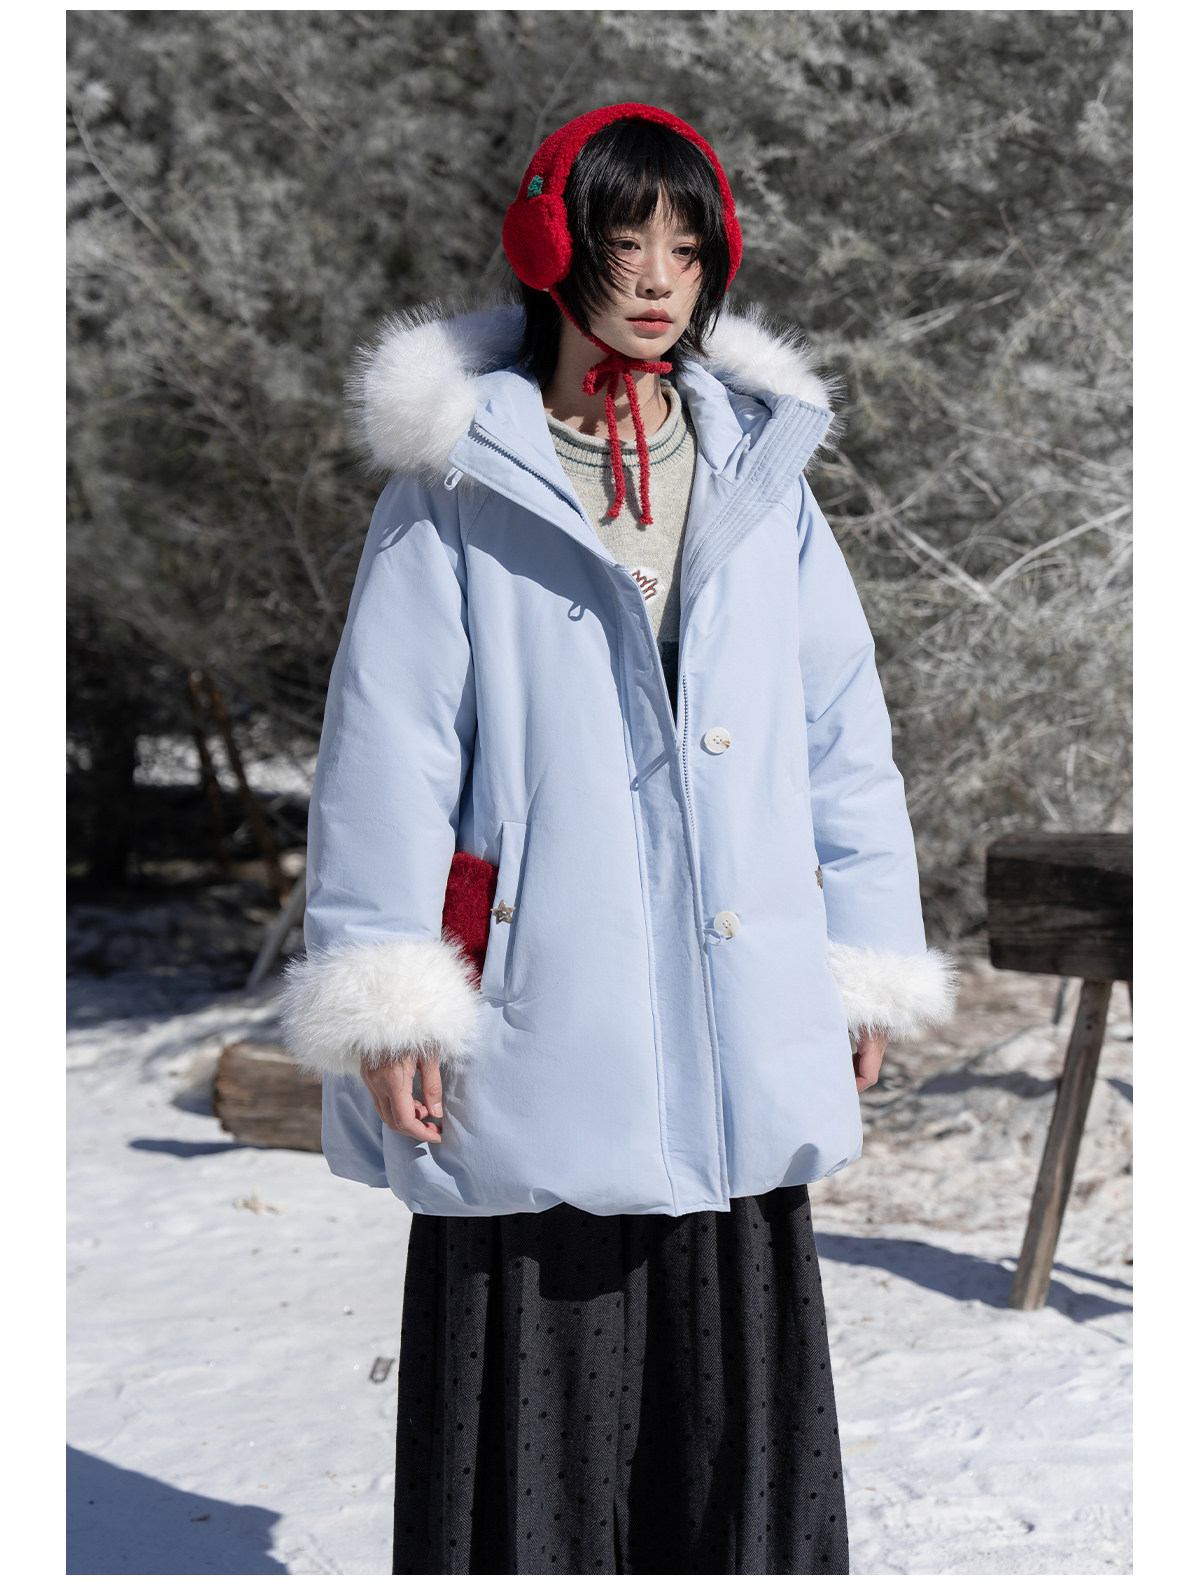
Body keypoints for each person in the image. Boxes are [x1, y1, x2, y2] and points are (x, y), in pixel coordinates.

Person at [280, 103, 957, 1576]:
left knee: (727, 1415)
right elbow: (388, 754)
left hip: (733, 1013)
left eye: (686, 247)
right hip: (542, 1019)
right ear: (553, 247)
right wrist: (391, 997)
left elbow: (842, 738)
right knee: (540, 1418)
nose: (657, 277)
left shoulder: (761, 476)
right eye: (623, 240)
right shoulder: (461, 483)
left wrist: (862, 961)